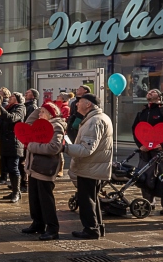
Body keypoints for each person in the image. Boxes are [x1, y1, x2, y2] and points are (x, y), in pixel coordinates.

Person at [63, 93, 113, 239]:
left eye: (80, 102)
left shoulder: (94, 121)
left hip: (90, 167)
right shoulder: (96, 118)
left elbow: (86, 149)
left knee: (87, 200)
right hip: (94, 166)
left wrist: (65, 148)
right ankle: (98, 227)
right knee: (93, 198)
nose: (77, 104)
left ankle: (91, 229)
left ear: (88, 104)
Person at [22, 102, 66, 241]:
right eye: (39, 112)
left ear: (50, 114)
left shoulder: (56, 126)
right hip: (34, 167)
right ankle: (38, 223)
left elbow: (54, 147)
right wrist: (40, 107)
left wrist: (32, 146)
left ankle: (52, 228)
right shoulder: (40, 124)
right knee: (34, 198)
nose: (39, 115)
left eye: (42, 112)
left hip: (45, 167)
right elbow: (27, 123)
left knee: (46, 200)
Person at [132, 89, 163, 215]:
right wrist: (141, 145)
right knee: (144, 176)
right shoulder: (142, 112)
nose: (149, 92)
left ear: (159, 97)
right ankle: (148, 202)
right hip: (145, 151)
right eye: (149, 92)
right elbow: (135, 130)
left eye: (153, 91)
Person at [0, 92, 26, 203]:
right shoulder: (8, 107)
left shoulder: (20, 107)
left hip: (14, 143)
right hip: (5, 143)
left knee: (13, 168)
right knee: (8, 168)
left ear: (18, 99)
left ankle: (16, 192)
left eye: (12, 97)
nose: (9, 98)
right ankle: (15, 191)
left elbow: (12, 118)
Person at [20, 89, 40, 192]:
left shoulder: (32, 107)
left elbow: (30, 122)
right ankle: (23, 182)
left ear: (33, 96)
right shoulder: (26, 105)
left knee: (24, 161)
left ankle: (25, 184)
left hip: (27, 136)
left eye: (28, 93)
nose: (25, 94)